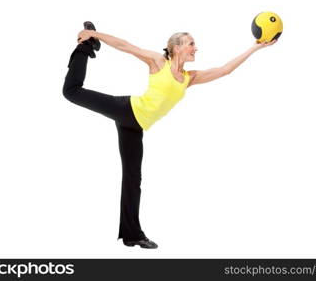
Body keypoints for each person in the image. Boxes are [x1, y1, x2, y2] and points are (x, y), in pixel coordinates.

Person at [63, 21, 277, 249]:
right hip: (126, 109)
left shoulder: (188, 78)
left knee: (133, 180)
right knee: (71, 91)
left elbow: (225, 70)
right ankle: (86, 46)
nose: (196, 48)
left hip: (135, 127)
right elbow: (125, 46)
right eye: (191, 43)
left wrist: (256, 48)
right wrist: (92, 34)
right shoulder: (158, 62)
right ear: (176, 47)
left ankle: (132, 235)